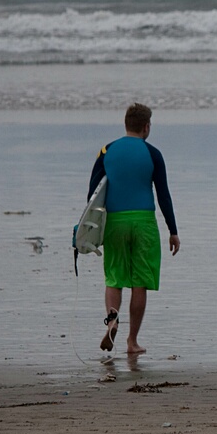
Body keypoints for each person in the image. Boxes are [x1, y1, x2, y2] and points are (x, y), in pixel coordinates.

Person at [87, 103, 180, 354]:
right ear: (146, 126)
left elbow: (93, 194)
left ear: (126, 124)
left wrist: (90, 229)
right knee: (140, 283)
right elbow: (164, 195)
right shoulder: (153, 153)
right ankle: (132, 341)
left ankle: (112, 319)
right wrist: (173, 230)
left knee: (114, 278)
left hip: (115, 222)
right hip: (144, 222)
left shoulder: (107, 151)